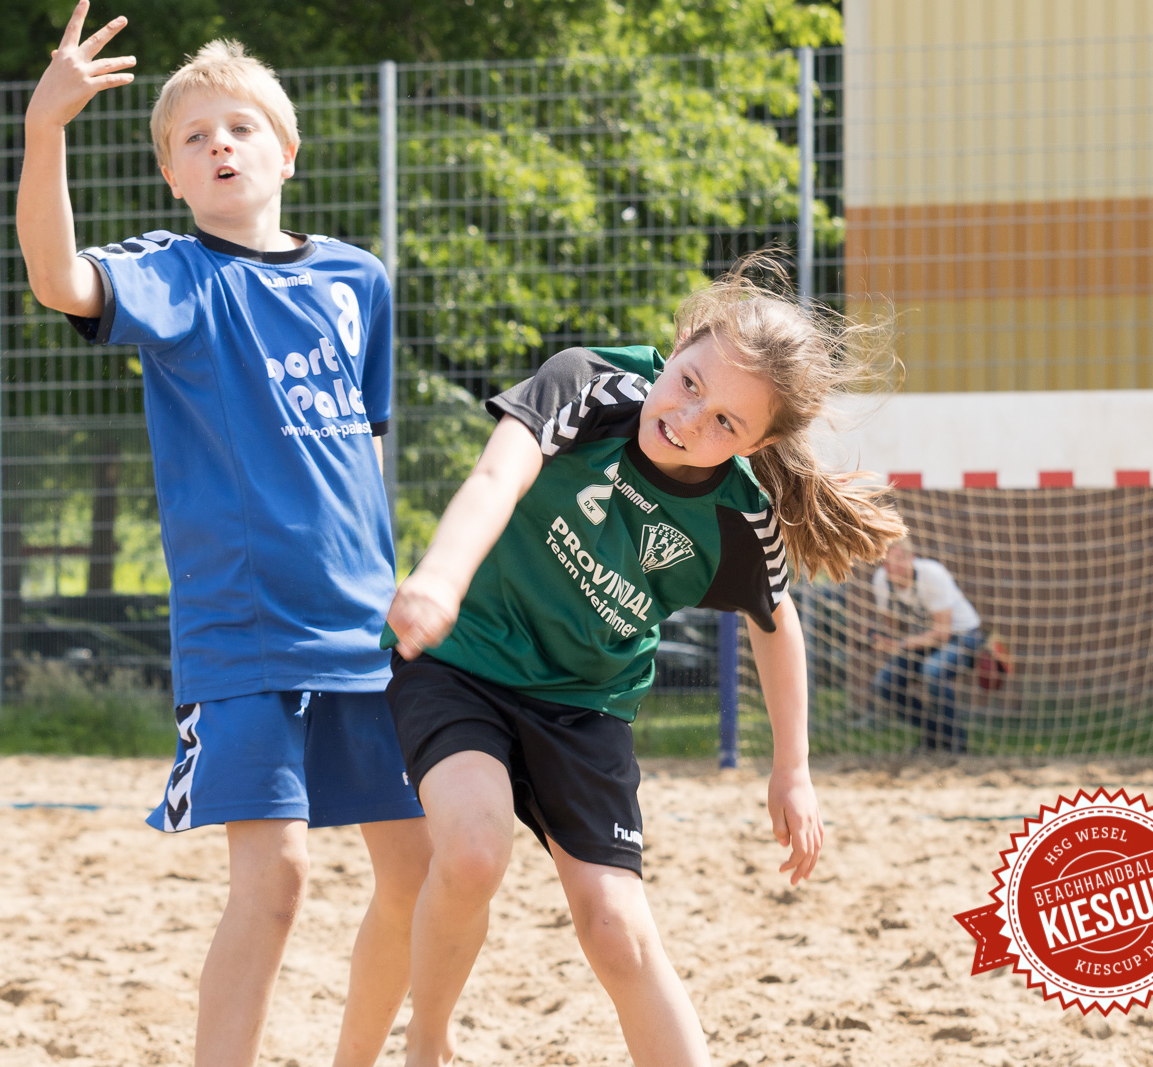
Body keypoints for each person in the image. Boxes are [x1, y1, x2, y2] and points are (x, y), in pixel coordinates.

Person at [16, 7, 429, 1066]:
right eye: (194, 137)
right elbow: (59, 281)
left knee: (422, 868)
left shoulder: (357, 279)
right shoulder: (174, 275)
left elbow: (367, 446)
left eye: (240, 128)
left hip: (365, 632)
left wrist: (395, 588)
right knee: (276, 879)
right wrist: (46, 129)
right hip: (246, 633)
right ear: (172, 175)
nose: (220, 146)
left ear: (286, 151)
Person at [383, 259, 906, 1067]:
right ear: (681, 341)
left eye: (726, 421)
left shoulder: (737, 518)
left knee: (616, 928)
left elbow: (777, 624)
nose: (690, 419)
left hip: (585, 707)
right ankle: (428, 1041)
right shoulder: (586, 385)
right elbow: (495, 477)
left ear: (759, 444)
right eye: (690, 383)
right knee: (473, 851)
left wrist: (792, 769)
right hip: (464, 662)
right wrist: (440, 579)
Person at [868, 538, 985, 753]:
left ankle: (956, 746)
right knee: (884, 684)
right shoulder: (882, 581)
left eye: (899, 559)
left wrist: (900, 644)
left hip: (963, 636)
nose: (893, 566)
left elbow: (942, 633)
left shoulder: (932, 575)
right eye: (887, 562)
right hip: (922, 641)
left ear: (912, 558)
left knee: (932, 671)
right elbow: (891, 626)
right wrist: (881, 639)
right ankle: (933, 737)